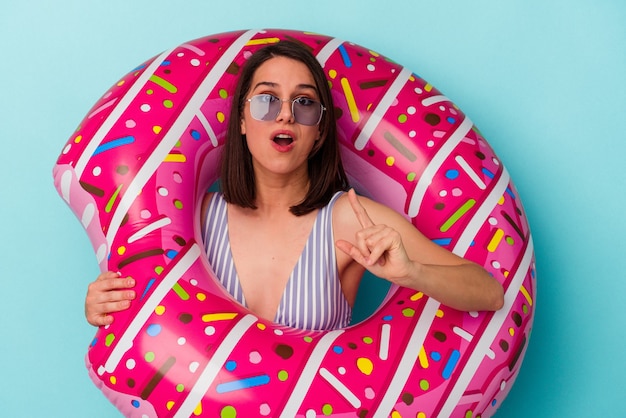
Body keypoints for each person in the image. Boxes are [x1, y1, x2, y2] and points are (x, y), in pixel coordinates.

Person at [85, 41, 504, 330]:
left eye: (304, 103)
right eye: (267, 100)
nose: (285, 115)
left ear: (319, 132)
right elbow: (144, 311)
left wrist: (411, 273)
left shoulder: (349, 221)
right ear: (243, 123)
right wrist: (101, 305)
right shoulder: (192, 220)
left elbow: (488, 292)